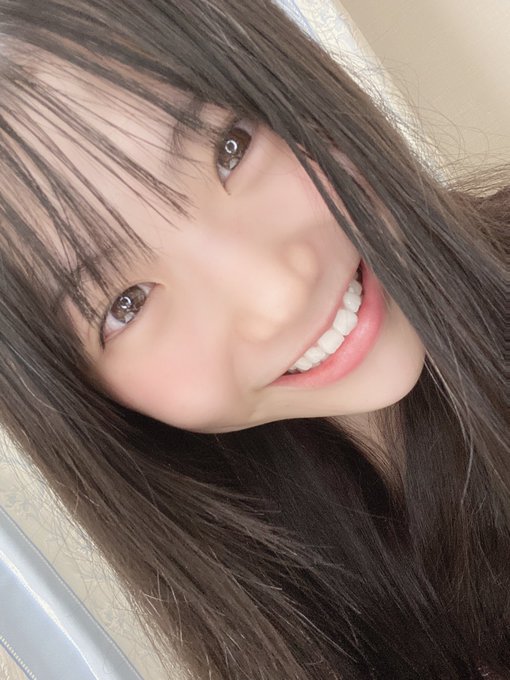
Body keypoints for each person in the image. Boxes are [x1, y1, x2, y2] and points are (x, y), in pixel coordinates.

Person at [0, 1, 508, 678]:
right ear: (82, 400)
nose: (278, 295)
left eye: (230, 149)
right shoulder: (277, 631)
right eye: (126, 304)